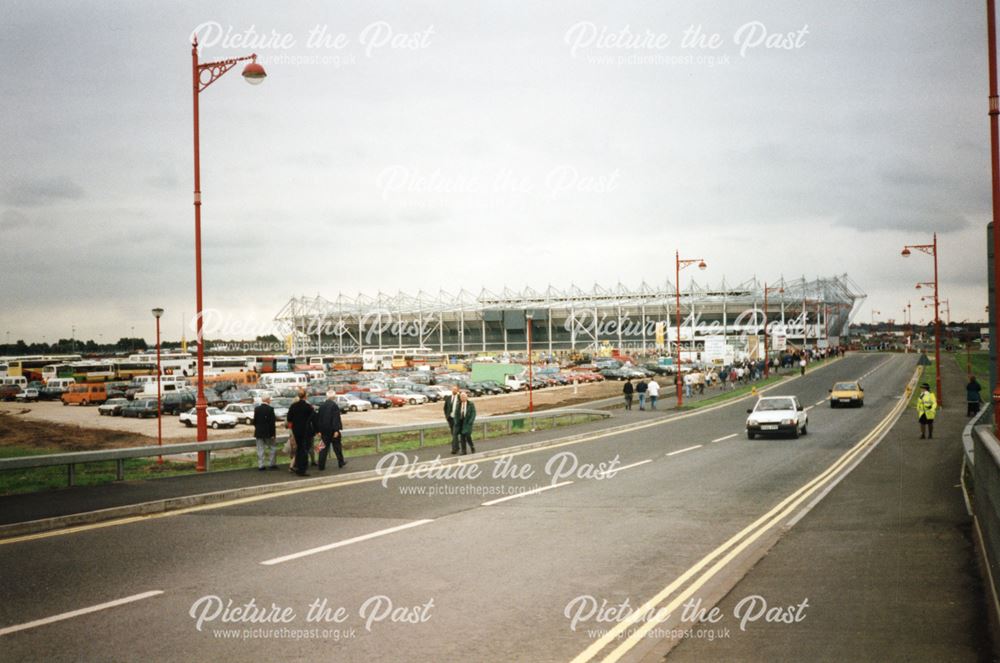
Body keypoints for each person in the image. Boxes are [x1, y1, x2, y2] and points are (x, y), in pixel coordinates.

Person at [286, 388, 316, 476]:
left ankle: (298, 466)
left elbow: (289, 419)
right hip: (305, 430)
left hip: (296, 430)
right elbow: (313, 418)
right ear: (305, 396)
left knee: (299, 448)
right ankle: (302, 469)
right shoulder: (308, 407)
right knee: (304, 449)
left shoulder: (293, 406)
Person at [317, 390, 346, 470]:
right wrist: (336, 430)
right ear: (333, 397)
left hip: (323, 431)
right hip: (332, 430)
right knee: (337, 447)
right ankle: (341, 462)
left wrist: (318, 430)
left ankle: (321, 465)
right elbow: (336, 418)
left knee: (323, 448)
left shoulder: (322, 406)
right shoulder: (334, 406)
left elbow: (319, 419)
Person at [253, 395, 278, 471]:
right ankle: (272, 464)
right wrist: (273, 434)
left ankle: (261, 465)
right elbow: (272, 423)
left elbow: (254, 421)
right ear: (267, 400)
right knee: (272, 448)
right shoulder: (270, 409)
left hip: (259, 432)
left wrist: (258, 428)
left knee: (260, 449)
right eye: (269, 399)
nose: (270, 400)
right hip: (268, 432)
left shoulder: (257, 409)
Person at [444, 384, 462, 454]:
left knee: (455, 433)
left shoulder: (460, 397)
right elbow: (445, 408)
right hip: (450, 418)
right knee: (453, 433)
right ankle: (457, 446)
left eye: (455, 389)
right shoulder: (448, 398)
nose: (454, 390)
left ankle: (454, 449)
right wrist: (446, 416)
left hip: (457, 419)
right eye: (453, 389)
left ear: (457, 390)